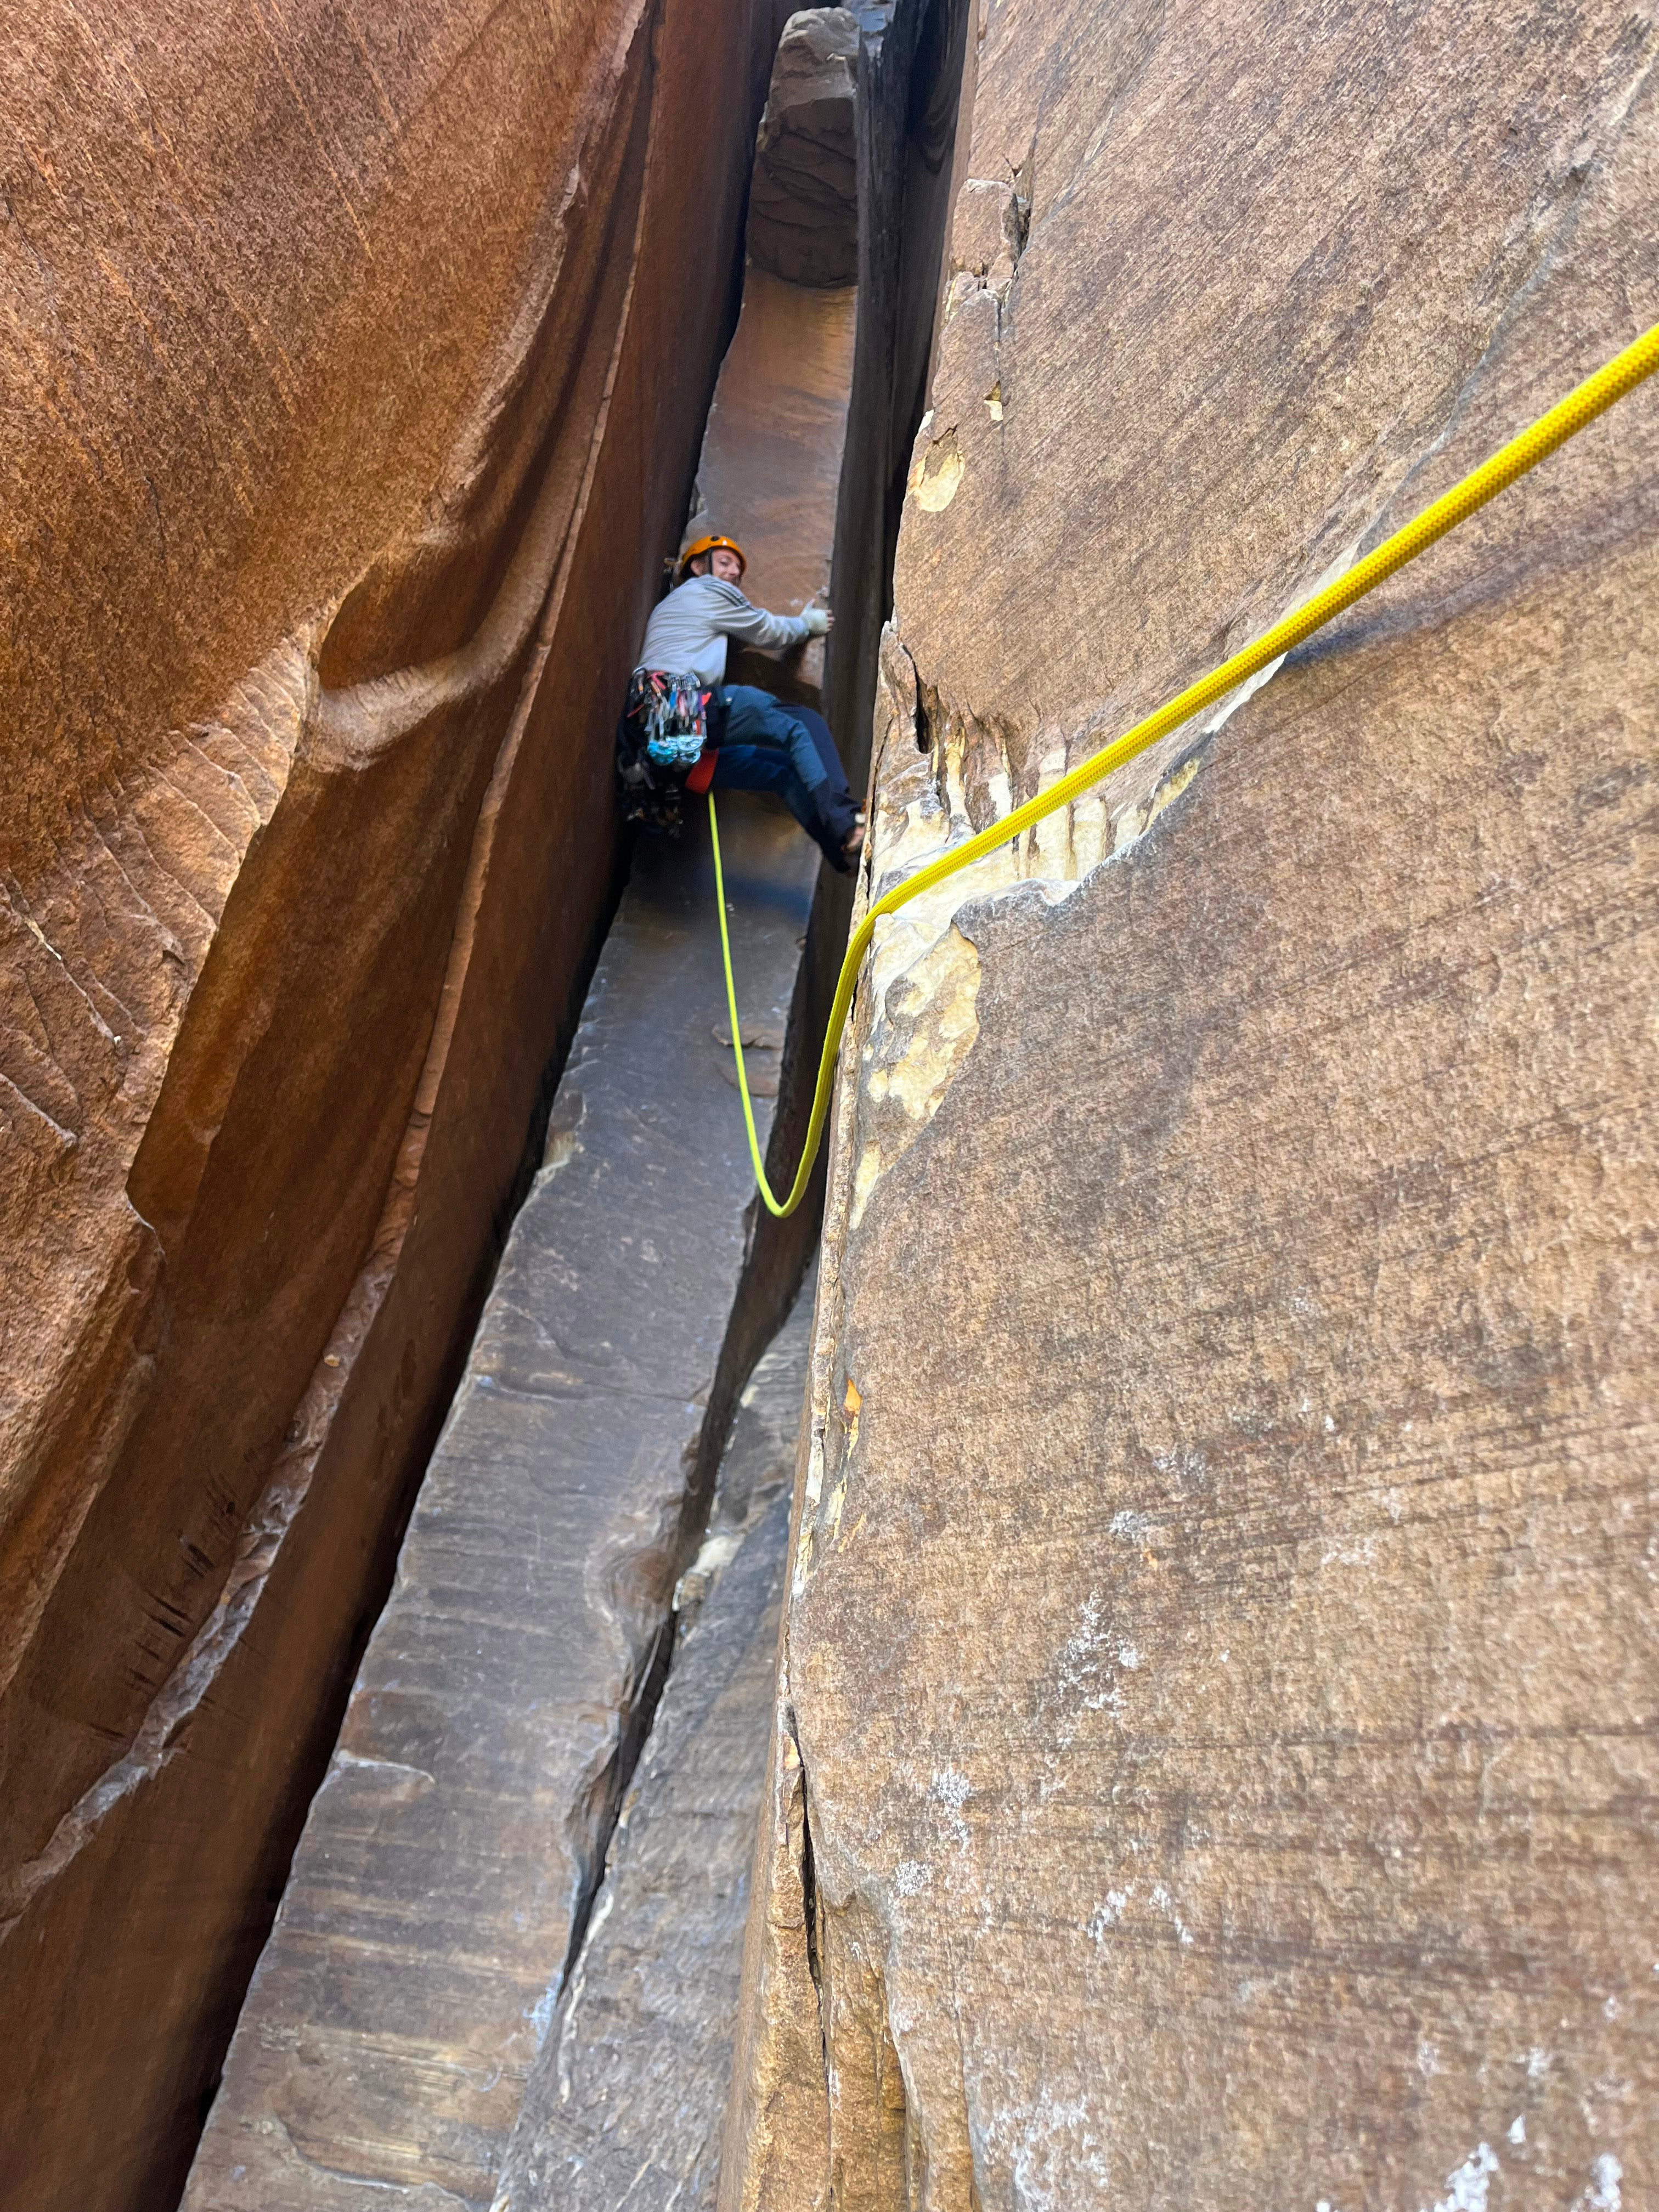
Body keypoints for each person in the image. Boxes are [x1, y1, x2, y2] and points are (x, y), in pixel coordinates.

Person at [624, 533, 864, 870]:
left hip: (660, 747)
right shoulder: (705, 590)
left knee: (782, 773)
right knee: (800, 724)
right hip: (678, 707)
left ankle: (842, 851)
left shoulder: (672, 610)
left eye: (738, 569)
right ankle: (846, 822)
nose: (734, 573)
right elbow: (764, 629)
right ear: (698, 566)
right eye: (725, 563)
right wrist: (804, 625)